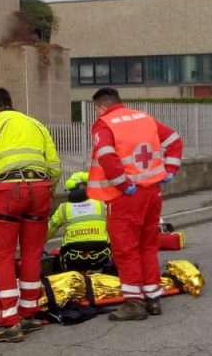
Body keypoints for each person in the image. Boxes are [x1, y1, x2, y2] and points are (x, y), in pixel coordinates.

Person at [0, 87, 60, 343]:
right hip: (40, 189)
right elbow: (55, 166)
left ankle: (10, 322)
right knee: (32, 252)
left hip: (7, 192)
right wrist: (47, 192)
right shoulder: (36, 124)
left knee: (4, 256)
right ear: (10, 103)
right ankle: (29, 314)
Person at [87, 87, 183, 322]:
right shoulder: (144, 118)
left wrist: (122, 184)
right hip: (152, 192)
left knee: (125, 249)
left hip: (125, 196)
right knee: (148, 245)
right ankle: (153, 299)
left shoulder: (104, 124)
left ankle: (133, 302)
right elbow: (175, 140)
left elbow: (106, 157)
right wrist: (169, 170)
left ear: (100, 107)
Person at [47, 171, 111, 272]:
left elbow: (48, 232)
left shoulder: (63, 208)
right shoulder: (101, 204)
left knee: (53, 259)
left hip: (73, 257)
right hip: (101, 255)